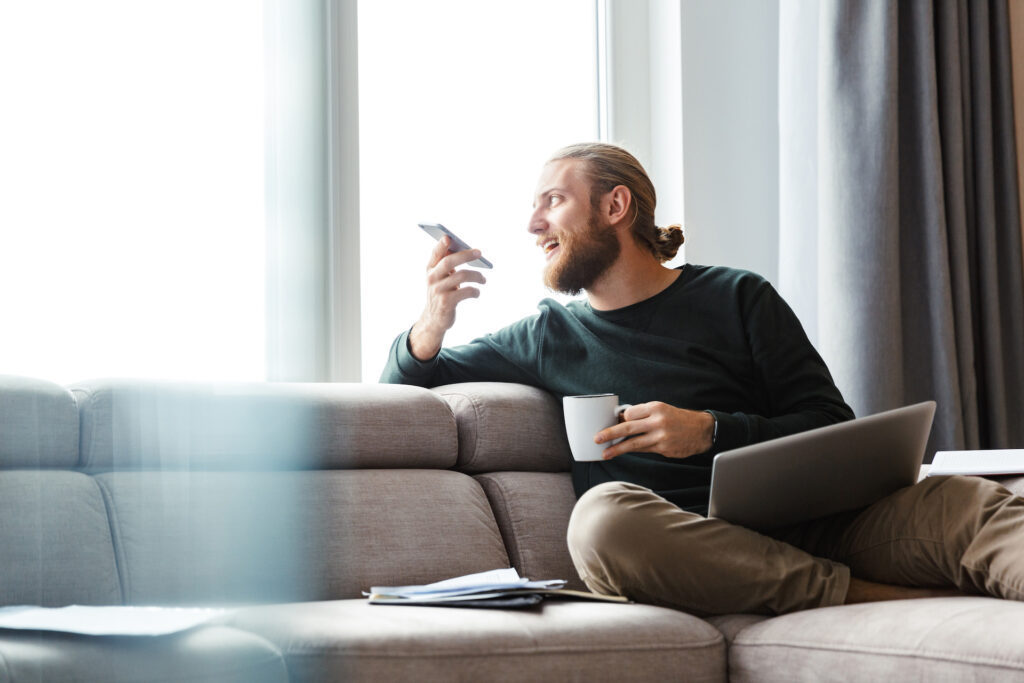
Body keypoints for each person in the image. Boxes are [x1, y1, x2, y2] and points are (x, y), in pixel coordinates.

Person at [380, 142, 1024, 616]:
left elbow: (831, 426)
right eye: (533, 207)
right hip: (692, 547)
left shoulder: (738, 297)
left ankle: (846, 583)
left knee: (967, 502)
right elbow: (405, 392)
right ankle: (856, 595)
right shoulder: (548, 334)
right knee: (600, 521)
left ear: (615, 206)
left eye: (553, 201)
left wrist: (711, 432)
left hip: (824, 520)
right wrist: (433, 320)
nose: (532, 224)